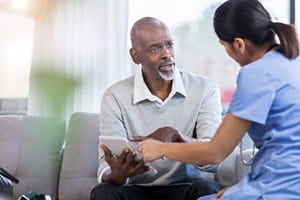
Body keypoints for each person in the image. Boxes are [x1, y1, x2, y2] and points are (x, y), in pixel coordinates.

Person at [138, 0, 300, 199]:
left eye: (224, 46)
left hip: (279, 188)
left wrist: (160, 149)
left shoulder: (256, 74)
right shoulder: (292, 62)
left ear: (239, 44)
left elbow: (215, 153)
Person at [90, 17, 223, 200]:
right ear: (135, 56)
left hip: (186, 188)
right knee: (103, 192)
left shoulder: (205, 89)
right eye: (155, 49)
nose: (166, 54)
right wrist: (116, 175)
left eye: (169, 45)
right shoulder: (115, 96)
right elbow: (105, 168)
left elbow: (213, 158)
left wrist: (176, 137)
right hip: (136, 190)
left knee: (208, 188)